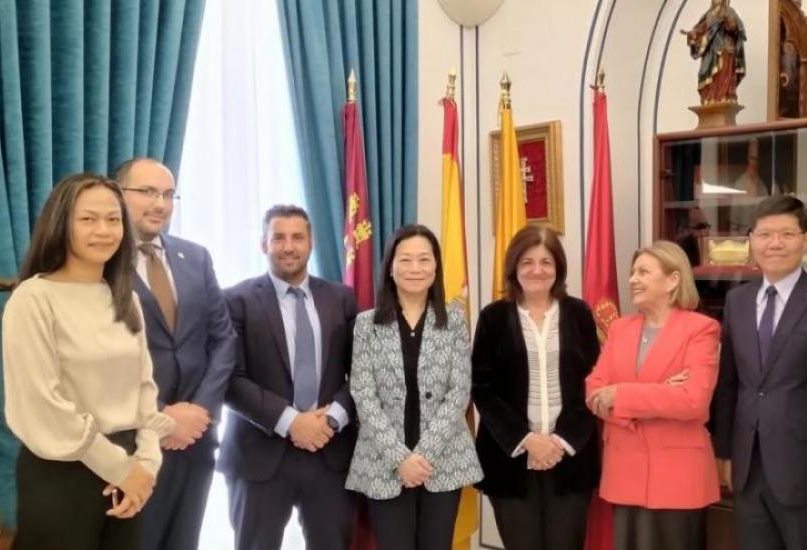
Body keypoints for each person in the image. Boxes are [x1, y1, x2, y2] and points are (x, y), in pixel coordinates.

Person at [3, 173, 174, 550]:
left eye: (113, 219)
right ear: (60, 224)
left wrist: (147, 464)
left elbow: (145, 390)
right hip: (61, 475)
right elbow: (43, 405)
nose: (103, 230)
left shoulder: (124, 298)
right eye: (88, 219)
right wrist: (121, 468)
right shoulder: (33, 299)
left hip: (128, 471)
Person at [711, 196, 807, 550]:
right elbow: (729, 384)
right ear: (751, 240)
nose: (775, 244)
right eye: (765, 234)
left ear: (806, 239)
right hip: (747, 467)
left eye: (787, 234)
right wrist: (723, 452)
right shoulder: (737, 301)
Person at [220, 205, 358, 550]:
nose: (288, 246)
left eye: (297, 237)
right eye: (278, 237)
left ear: (311, 243)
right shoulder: (235, 300)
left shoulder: (341, 298)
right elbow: (229, 379)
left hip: (329, 452)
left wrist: (331, 418)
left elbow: (362, 375)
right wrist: (291, 421)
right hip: (258, 455)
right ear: (263, 244)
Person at [115, 157, 236, 550]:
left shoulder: (195, 257)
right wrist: (164, 418)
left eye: (168, 194)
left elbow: (222, 339)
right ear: (118, 194)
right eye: (148, 192)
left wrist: (200, 411)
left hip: (196, 441)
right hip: (131, 442)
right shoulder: (100, 264)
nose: (161, 204)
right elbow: (104, 363)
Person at [346, 224, 483, 550]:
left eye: (424, 259)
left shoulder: (454, 320)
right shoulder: (367, 324)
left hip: (443, 460)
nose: (415, 268)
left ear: (436, 266)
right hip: (383, 462)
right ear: (390, 267)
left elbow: (459, 391)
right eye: (405, 260)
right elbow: (363, 393)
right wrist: (400, 459)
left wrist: (423, 455)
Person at [472, 225, 601, 550]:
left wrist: (558, 441)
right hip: (510, 460)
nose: (537, 270)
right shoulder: (494, 317)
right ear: (514, 267)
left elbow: (596, 381)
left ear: (558, 268)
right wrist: (528, 440)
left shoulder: (579, 313)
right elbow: (483, 389)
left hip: (570, 458)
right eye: (527, 262)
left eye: (546, 262)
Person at [586, 240, 721, 550]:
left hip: (678, 479)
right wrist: (661, 395)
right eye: (633, 272)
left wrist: (619, 395)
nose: (633, 279)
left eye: (643, 272)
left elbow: (692, 401)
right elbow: (593, 392)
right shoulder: (620, 329)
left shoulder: (701, 330)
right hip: (624, 472)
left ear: (673, 280)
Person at [685, 0, 746, 105]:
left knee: (724, 73)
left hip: (725, 48)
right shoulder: (708, 15)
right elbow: (700, 30)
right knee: (709, 74)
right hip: (710, 51)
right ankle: (710, 97)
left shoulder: (730, 12)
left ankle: (724, 96)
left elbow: (738, 30)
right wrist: (693, 35)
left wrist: (731, 25)